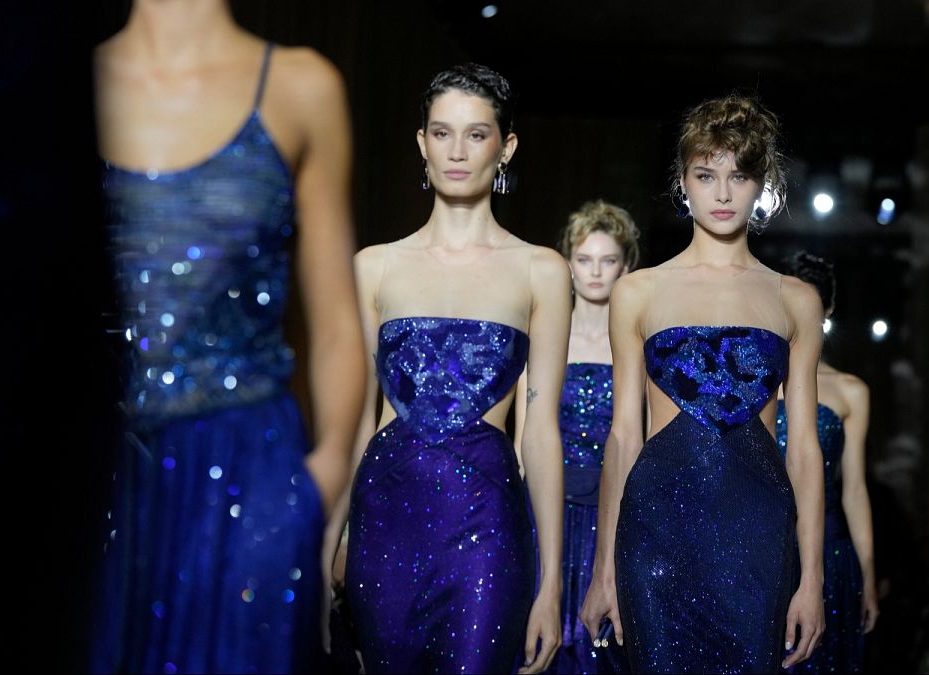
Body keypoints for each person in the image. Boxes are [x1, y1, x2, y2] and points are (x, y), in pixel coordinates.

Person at [91, 0, 367, 672]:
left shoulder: (299, 87)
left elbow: (337, 323)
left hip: (248, 475)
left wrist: (317, 487)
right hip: (93, 473)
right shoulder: (66, 80)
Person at [579, 94, 826, 673]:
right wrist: (603, 570)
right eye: (706, 174)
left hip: (758, 539)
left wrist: (812, 577)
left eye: (739, 176)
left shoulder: (794, 299)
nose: (722, 194)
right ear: (682, 181)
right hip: (655, 534)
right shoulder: (637, 292)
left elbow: (804, 449)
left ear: (762, 185)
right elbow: (623, 437)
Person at [343, 63, 565, 674]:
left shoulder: (541, 270)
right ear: (422, 143)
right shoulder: (375, 267)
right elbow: (356, 420)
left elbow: (541, 434)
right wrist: (334, 538)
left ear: (506, 146)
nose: (458, 151)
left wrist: (550, 583)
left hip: (486, 528)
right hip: (384, 520)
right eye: (442, 133)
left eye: (477, 134)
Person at [515, 200, 640, 674]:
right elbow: (524, 439)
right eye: (585, 260)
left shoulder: (636, 347)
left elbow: (642, 440)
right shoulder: (542, 340)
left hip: (610, 512)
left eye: (608, 261)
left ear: (625, 266)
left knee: (601, 647)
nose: (596, 272)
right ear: (568, 264)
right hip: (546, 506)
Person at [775, 251, 879, 674]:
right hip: (761, 546)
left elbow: (854, 488)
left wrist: (868, 572)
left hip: (830, 552)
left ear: (828, 310)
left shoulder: (850, 391)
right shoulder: (758, 381)